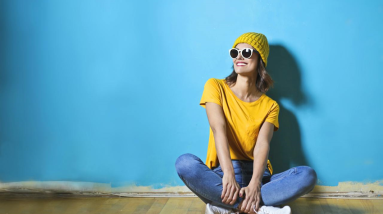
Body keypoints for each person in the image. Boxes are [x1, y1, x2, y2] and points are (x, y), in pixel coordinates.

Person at [175, 32, 317, 214]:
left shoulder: (270, 105)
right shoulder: (215, 86)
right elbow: (219, 130)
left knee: (307, 175)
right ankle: (259, 209)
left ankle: (225, 207)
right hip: (223, 174)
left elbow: (262, 145)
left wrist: (255, 184)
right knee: (185, 164)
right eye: (235, 53)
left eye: (247, 53)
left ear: (260, 59)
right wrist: (228, 174)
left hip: (260, 176)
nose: (239, 57)